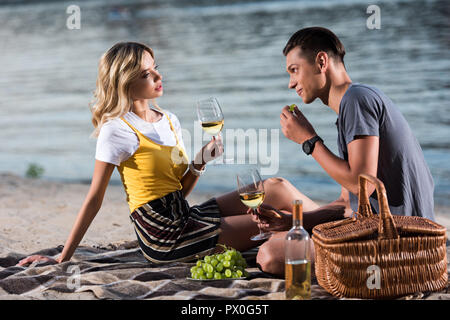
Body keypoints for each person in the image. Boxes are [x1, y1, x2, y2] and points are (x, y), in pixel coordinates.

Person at [17, 42, 344, 267]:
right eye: (146, 74)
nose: (158, 77)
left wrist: (199, 161)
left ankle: (342, 226)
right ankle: (340, 236)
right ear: (125, 83)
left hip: (184, 214)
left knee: (276, 186)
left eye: (155, 68)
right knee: (270, 224)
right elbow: (94, 199)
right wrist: (63, 257)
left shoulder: (168, 119)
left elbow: (179, 191)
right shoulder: (116, 130)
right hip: (163, 235)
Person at [252, 27, 435, 277]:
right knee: (278, 242)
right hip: (390, 235)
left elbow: (363, 186)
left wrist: (309, 140)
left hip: (402, 243)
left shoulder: (356, 100)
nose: (291, 83)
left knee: (270, 254)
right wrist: (292, 222)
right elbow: (346, 204)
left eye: (294, 70)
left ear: (321, 61)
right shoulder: (350, 109)